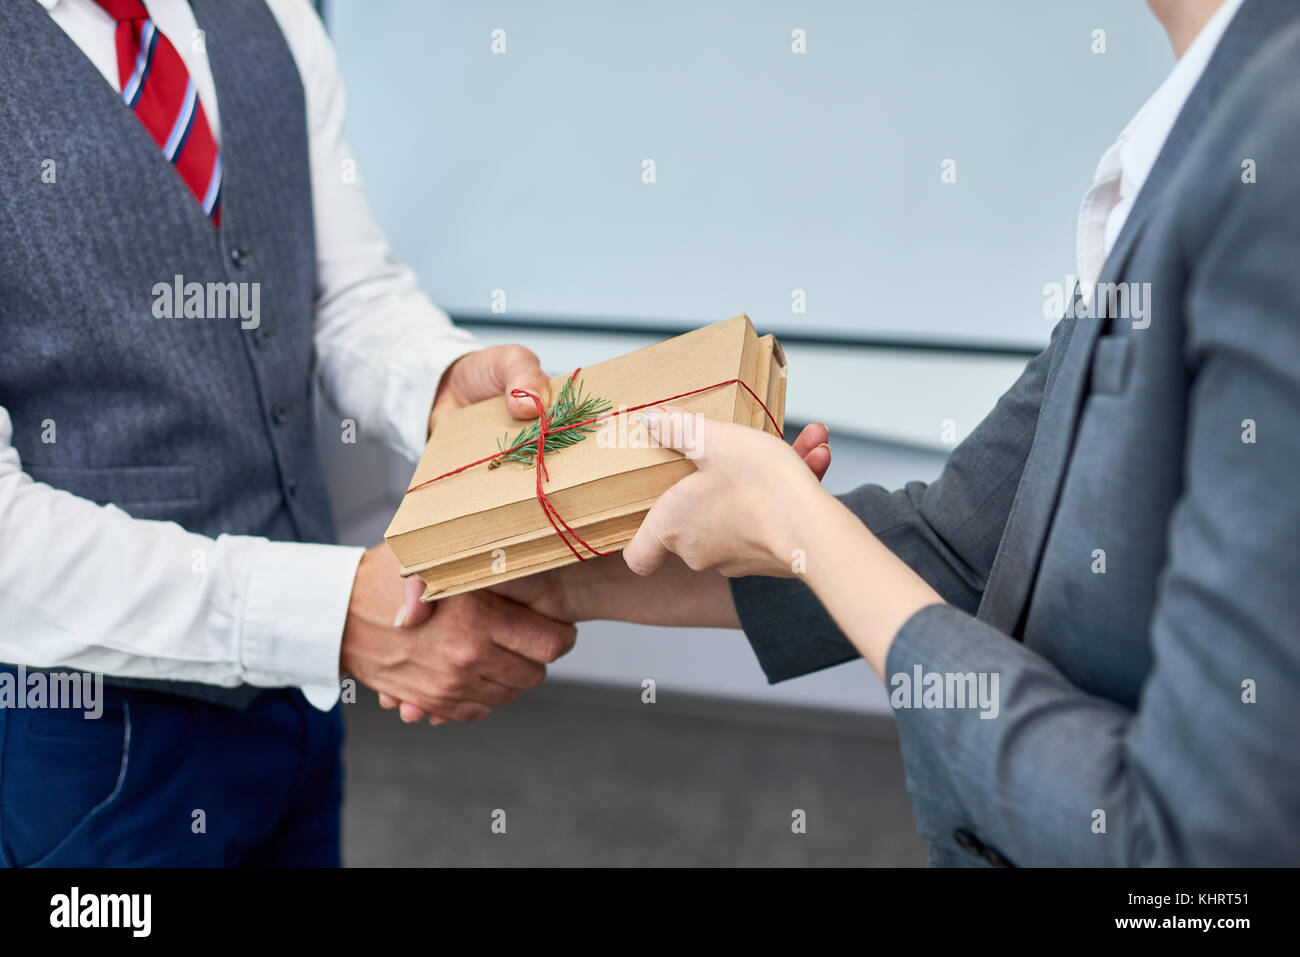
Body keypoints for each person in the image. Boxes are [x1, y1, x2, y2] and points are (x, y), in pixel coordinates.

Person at [395, 0, 1300, 866]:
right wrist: (565, 585)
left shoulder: (1273, 155)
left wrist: (799, 527)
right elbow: (961, 542)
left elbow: (1194, 862)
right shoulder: (1195, 134)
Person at [0, 0, 575, 867]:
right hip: (94, 751)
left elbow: (343, 289)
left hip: (298, 703)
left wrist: (440, 383)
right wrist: (334, 613)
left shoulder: (272, 14)